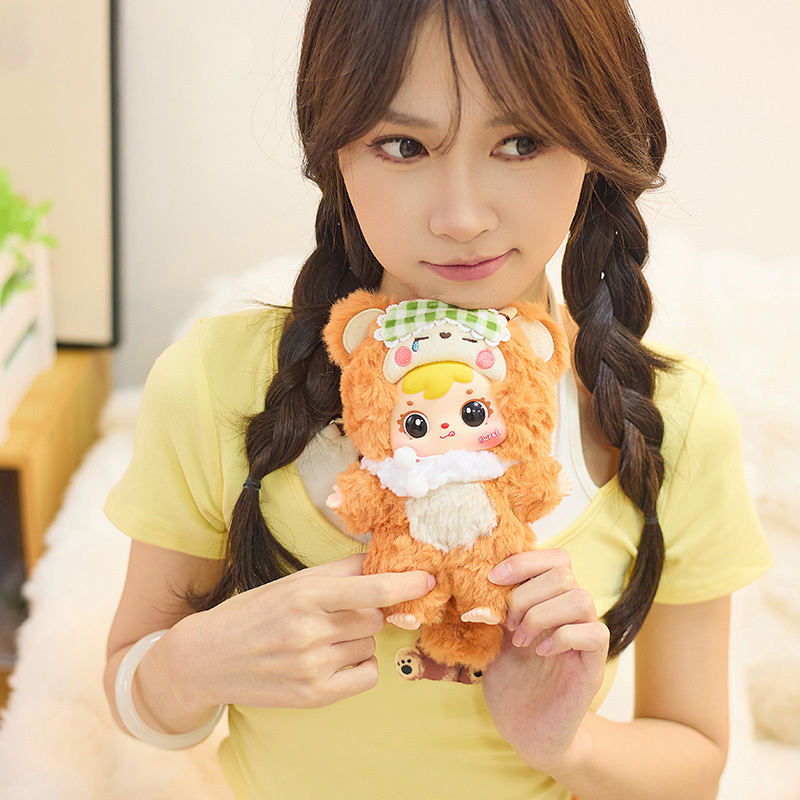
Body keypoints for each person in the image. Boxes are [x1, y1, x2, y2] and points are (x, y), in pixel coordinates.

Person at [102, 1, 773, 798]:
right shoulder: (218, 380)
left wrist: (571, 744)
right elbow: (135, 698)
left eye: (522, 142)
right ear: (334, 150)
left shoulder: (670, 419)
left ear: (595, 142)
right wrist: (193, 662)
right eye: (404, 145)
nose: (461, 218)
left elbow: (695, 764)